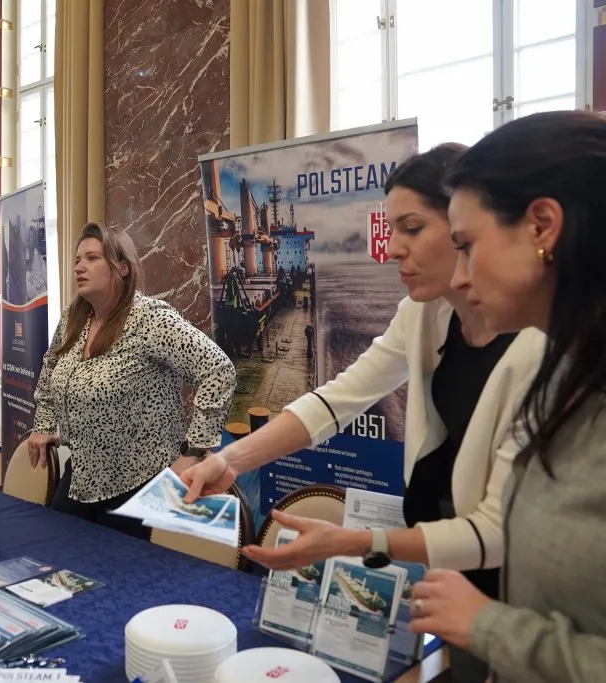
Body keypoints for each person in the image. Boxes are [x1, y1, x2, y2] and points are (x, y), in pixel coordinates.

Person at [181, 144, 544, 683]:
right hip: (448, 559)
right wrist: (229, 459)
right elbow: (338, 399)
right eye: (391, 229)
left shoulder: (540, 342)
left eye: (412, 228)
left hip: (521, 578)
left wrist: (354, 541)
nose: (391, 248)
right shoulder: (423, 311)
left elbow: (501, 527)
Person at [406, 110, 606, 683]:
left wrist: (488, 625)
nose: (459, 277)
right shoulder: (567, 373)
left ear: (542, 225)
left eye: (467, 245)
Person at [28, 222, 236, 539]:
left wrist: (194, 452)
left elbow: (218, 369)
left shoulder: (151, 319)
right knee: (56, 556)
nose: (79, 267)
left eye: (92, 258)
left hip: (139, 487)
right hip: (81, 480)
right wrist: (43, 424)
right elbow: (50, 369)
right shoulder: (74, 318)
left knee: (127, 571)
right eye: (77, 260)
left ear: (122, 267)